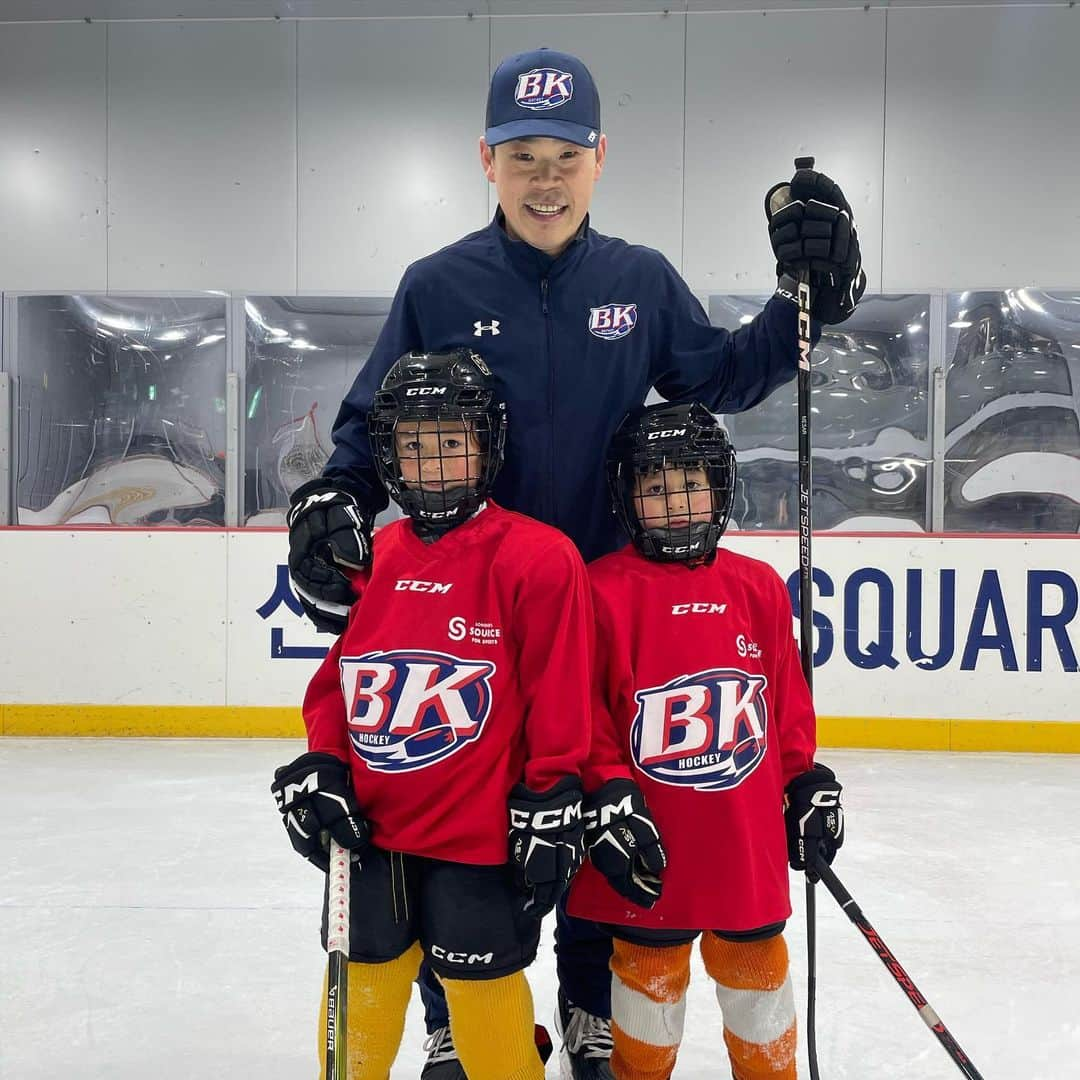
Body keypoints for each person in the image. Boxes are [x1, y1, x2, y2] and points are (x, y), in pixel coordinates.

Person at [284, 46, 865, 1080]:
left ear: (601, 159)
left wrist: (805, 303)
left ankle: (589, 1009)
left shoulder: (637, 281)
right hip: (473, 597)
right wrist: (333, 493)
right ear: (486, 161)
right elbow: (381, 420)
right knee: (452, 812)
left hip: (601, 596)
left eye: (565, 155)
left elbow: (721, 377)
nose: (544, 178)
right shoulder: (437, 283)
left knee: (603, 805)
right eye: (522, 157)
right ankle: (457, 1012)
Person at [271, 349, 592, 1080]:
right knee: (362, 1010)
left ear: (487, 445)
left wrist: (551, 791)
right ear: (389, 456)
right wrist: (324, 762)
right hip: (372, 838)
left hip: (477, 844)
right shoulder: (371, 555)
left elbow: (559, 691)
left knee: (486, 1011)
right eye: (414, 446)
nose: (434, 463)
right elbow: (338, 687)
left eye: (451, 442)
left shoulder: (539, 559)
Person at [567, 400, 846, 1079]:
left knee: (759, 984)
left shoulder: (757, 587)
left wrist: (803, 780)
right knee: (646, 990)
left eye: (690, 483)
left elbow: (786, 706)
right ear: (627, 497)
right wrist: (609, 792)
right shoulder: (600, 590)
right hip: (649, 840)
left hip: (741, 840)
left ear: (719, 487)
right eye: (655, 488)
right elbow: (586, 717)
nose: (676, 502)